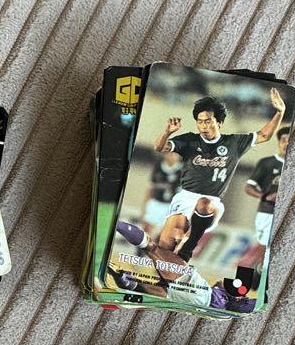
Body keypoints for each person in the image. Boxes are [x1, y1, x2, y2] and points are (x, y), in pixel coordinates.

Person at [115, 88, 285, 280]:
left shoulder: (234, 143)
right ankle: (167, 282)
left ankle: (189, 245)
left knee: (204, 204)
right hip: (184, 198)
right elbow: (159, 147)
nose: (203, 126)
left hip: (212, 202)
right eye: (200, 121)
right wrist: (167, 132)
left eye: (208, 121)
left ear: (219, 122)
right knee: (165, 249)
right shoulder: (189, 140)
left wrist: (280, 112)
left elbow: (264, 135)